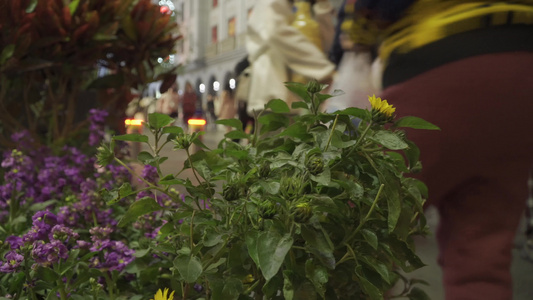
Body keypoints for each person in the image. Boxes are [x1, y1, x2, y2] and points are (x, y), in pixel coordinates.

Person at [347, 1, 533, 299]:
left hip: (438, 60)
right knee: (480, 255)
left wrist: (357, 34)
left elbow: (368, 14)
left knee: (358, 235)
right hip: (522, 69)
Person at [245, 0, 336, 116]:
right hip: (275, 88)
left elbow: (329, 43)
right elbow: (277, 32)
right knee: (278, 130)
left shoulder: (311, 6)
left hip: (302, 95)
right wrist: (324, 72)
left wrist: (322, 6)